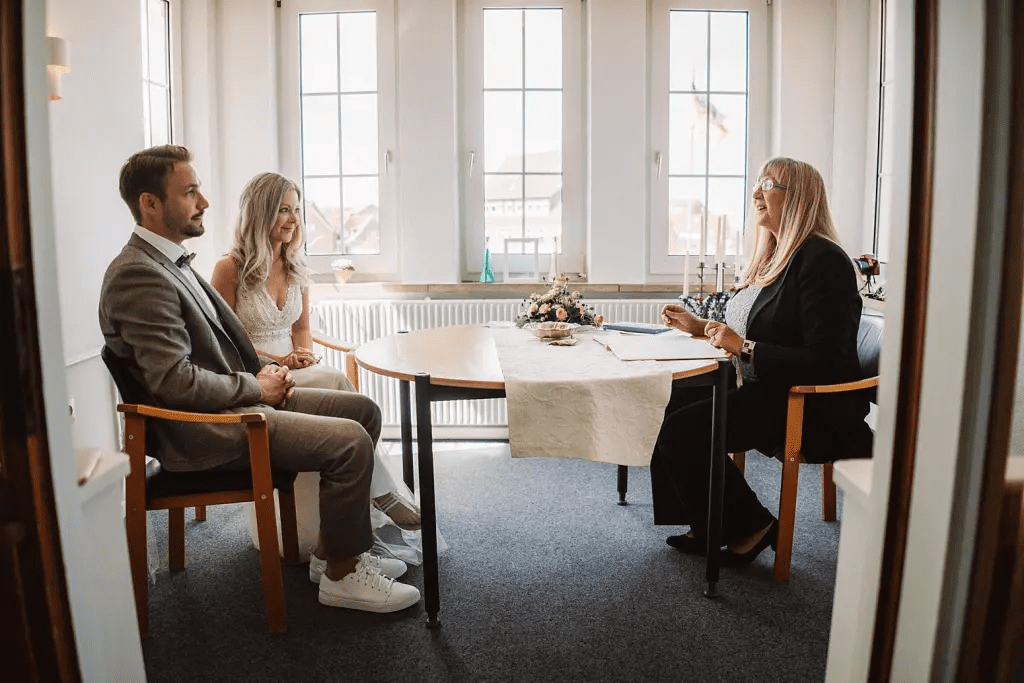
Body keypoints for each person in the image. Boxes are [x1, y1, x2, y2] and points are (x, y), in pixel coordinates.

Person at [99, 145, 419, 613]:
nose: (204, 202)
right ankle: (344, 578)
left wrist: (270, 370)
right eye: (190, 192)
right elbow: (174, 384)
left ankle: (332, 553)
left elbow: (221, 348)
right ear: (150, 203)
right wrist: (258, 387)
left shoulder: (171, 263)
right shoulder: (138, 276)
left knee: (363, 411)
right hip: (206, 428)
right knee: (350, 442)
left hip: (233, 402)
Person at [654, 157, 872, 565]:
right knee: (669, 403)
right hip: (768, 388)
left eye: (768, 183)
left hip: (807, 404)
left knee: (681, 432)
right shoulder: (776, 257)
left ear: (798, 199)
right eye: (757, 183)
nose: (755, 193)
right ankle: (708, 524)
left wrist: (745, 348)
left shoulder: (824, 261)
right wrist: (701, 326)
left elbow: (824, 361)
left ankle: (752, 525)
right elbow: (763, 330)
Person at [209, 172, 421, 541]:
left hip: (292, 366)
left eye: (296, 210)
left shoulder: (296, 266)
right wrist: (277, 363)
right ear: (259, 214)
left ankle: (366, 497)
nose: (293, 219)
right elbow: (223, 344)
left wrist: (301, 353)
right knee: (338, 382)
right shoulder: (229, 269)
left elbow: (301, 329)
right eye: (282, 210)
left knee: (331, 379)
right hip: (254, 373)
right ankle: (382, 493)